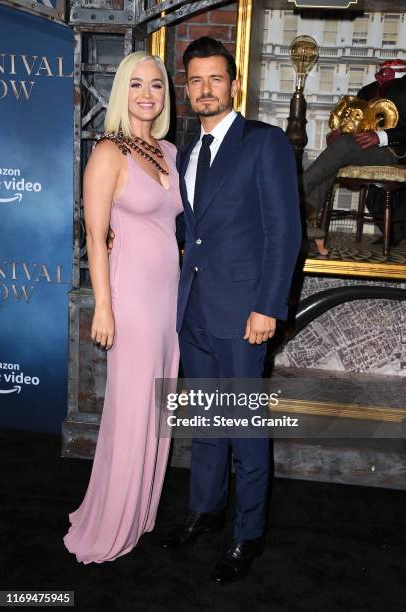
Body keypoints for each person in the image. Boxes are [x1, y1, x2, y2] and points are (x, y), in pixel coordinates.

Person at [158, 37, 301, 585]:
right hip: (195, 310)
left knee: (243, 427)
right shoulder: (189, 151)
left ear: (234, 83)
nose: (205, 89)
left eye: (215, 78)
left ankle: (248, 534)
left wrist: (268, 306)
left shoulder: (265, 144)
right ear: (187, 88)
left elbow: (284, 233)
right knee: (209, 423)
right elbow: (191, 228)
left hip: (245, 314)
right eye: (195, 81)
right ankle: (205, 511)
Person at [63, 51, 183, 564]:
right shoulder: (108, 152)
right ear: (121, 93)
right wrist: (104, 306)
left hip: (168, 300)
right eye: (135, 85)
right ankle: (111, 520)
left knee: (157, 409)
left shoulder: (170, 152)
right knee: (132, 410)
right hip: (130, 299)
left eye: (155, 85)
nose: (147, 95)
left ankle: (138, 509)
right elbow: (94, 234)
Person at [304, 59, 406, 256]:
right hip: (365, 151)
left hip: (397, 154)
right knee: (337, 153)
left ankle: (294, 195)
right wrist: (341, 133)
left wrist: (381, 137)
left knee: (341, 149)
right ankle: (306, 217)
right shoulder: (367, 90)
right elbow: (356, 126)